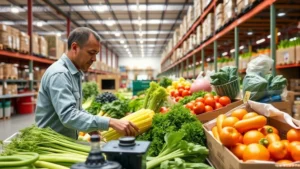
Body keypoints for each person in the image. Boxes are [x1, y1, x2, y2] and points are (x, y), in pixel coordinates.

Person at [35, 27, 138, 139]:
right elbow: (68, 115)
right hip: (51, 145)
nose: (94, 59)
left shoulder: (74, 73)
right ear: (75, 47)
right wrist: (110, 122)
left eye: (96, 54)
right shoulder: (60, 74)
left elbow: (77, 110)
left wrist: (91, 128)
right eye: (91, 53)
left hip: (64, 142)